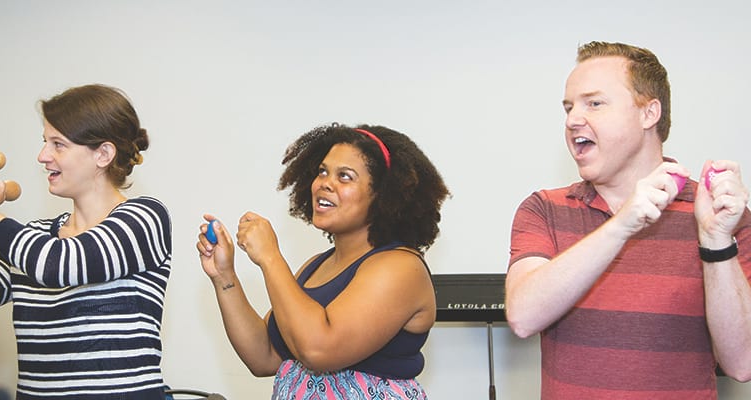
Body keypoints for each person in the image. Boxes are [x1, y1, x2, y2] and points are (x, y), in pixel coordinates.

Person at [505, 41, 751, 399]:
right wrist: (622, 225)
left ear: (649, 113)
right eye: (569, 107)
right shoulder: (544, 208)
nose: (573, 119)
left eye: (594, 103)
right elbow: (523, 316)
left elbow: (742, 363)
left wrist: (715, 241)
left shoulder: (718, 213)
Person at [197, 123, 449, 399]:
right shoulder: (315, 266)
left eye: (345, 176)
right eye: (322, 172)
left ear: (383, 194)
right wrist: (224, 276)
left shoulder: (400, 268)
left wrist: (270, 256)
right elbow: (264, 356)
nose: (325, 183)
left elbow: (319, 350)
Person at [0, 84, 172, 399]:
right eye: (45, 142)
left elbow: (58, 265)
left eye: (58, 144)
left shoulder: (144, 218)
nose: (43, 156)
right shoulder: (34, 239)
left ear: (103, 154)